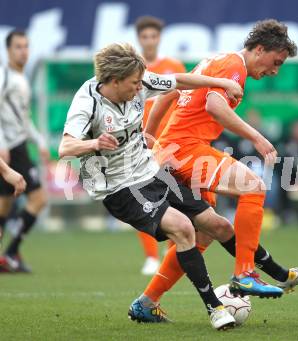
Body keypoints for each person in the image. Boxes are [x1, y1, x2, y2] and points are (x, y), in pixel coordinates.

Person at [58, 42, 245, 330]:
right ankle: (216, 308)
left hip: (150, 171)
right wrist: (94, 143)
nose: (139, 88)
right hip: (120, 188)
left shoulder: (139, 79)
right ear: (115, 80)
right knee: (183, 229)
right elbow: (65, 146)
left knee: (215, 224)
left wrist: (220, 81)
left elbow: (179, 81)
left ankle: (258, 273)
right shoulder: (88, 101)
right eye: (134, 83)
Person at [144, 19, 298, 301]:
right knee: (253, 185)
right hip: (186, 149)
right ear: (259, 49)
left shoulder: (217, 61)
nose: (275, 71)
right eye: (275, 62)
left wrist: (150, 137)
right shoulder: (234, 66)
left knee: (205, 234)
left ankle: (147, 302)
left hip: (174, 150)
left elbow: (169, 94)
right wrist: (257, 137)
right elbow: (214, 106)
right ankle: (245, 274)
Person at [135, 16, 186, 275]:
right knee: (140, 197)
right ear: (139, 39)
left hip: (171, 142)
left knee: (174, 197)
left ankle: (172, 250)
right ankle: (151, 256)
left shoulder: (173, 66)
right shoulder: (133, 69)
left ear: (159, 38)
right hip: (140, 143)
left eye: (153, 36)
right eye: (145, 37)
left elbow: (184, 99)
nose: (149, 41)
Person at [0, 30, 49, 273]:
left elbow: (24, 118)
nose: (23, 51)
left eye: (26, 46)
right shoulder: (4, 76)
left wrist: (39, 141)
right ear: (8, 50)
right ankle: (9, 254)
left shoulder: (21, 79)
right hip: (9, 148)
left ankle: (8, 255)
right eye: (18, 46)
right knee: (38, 199)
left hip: (18, 145)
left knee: (5, 205)